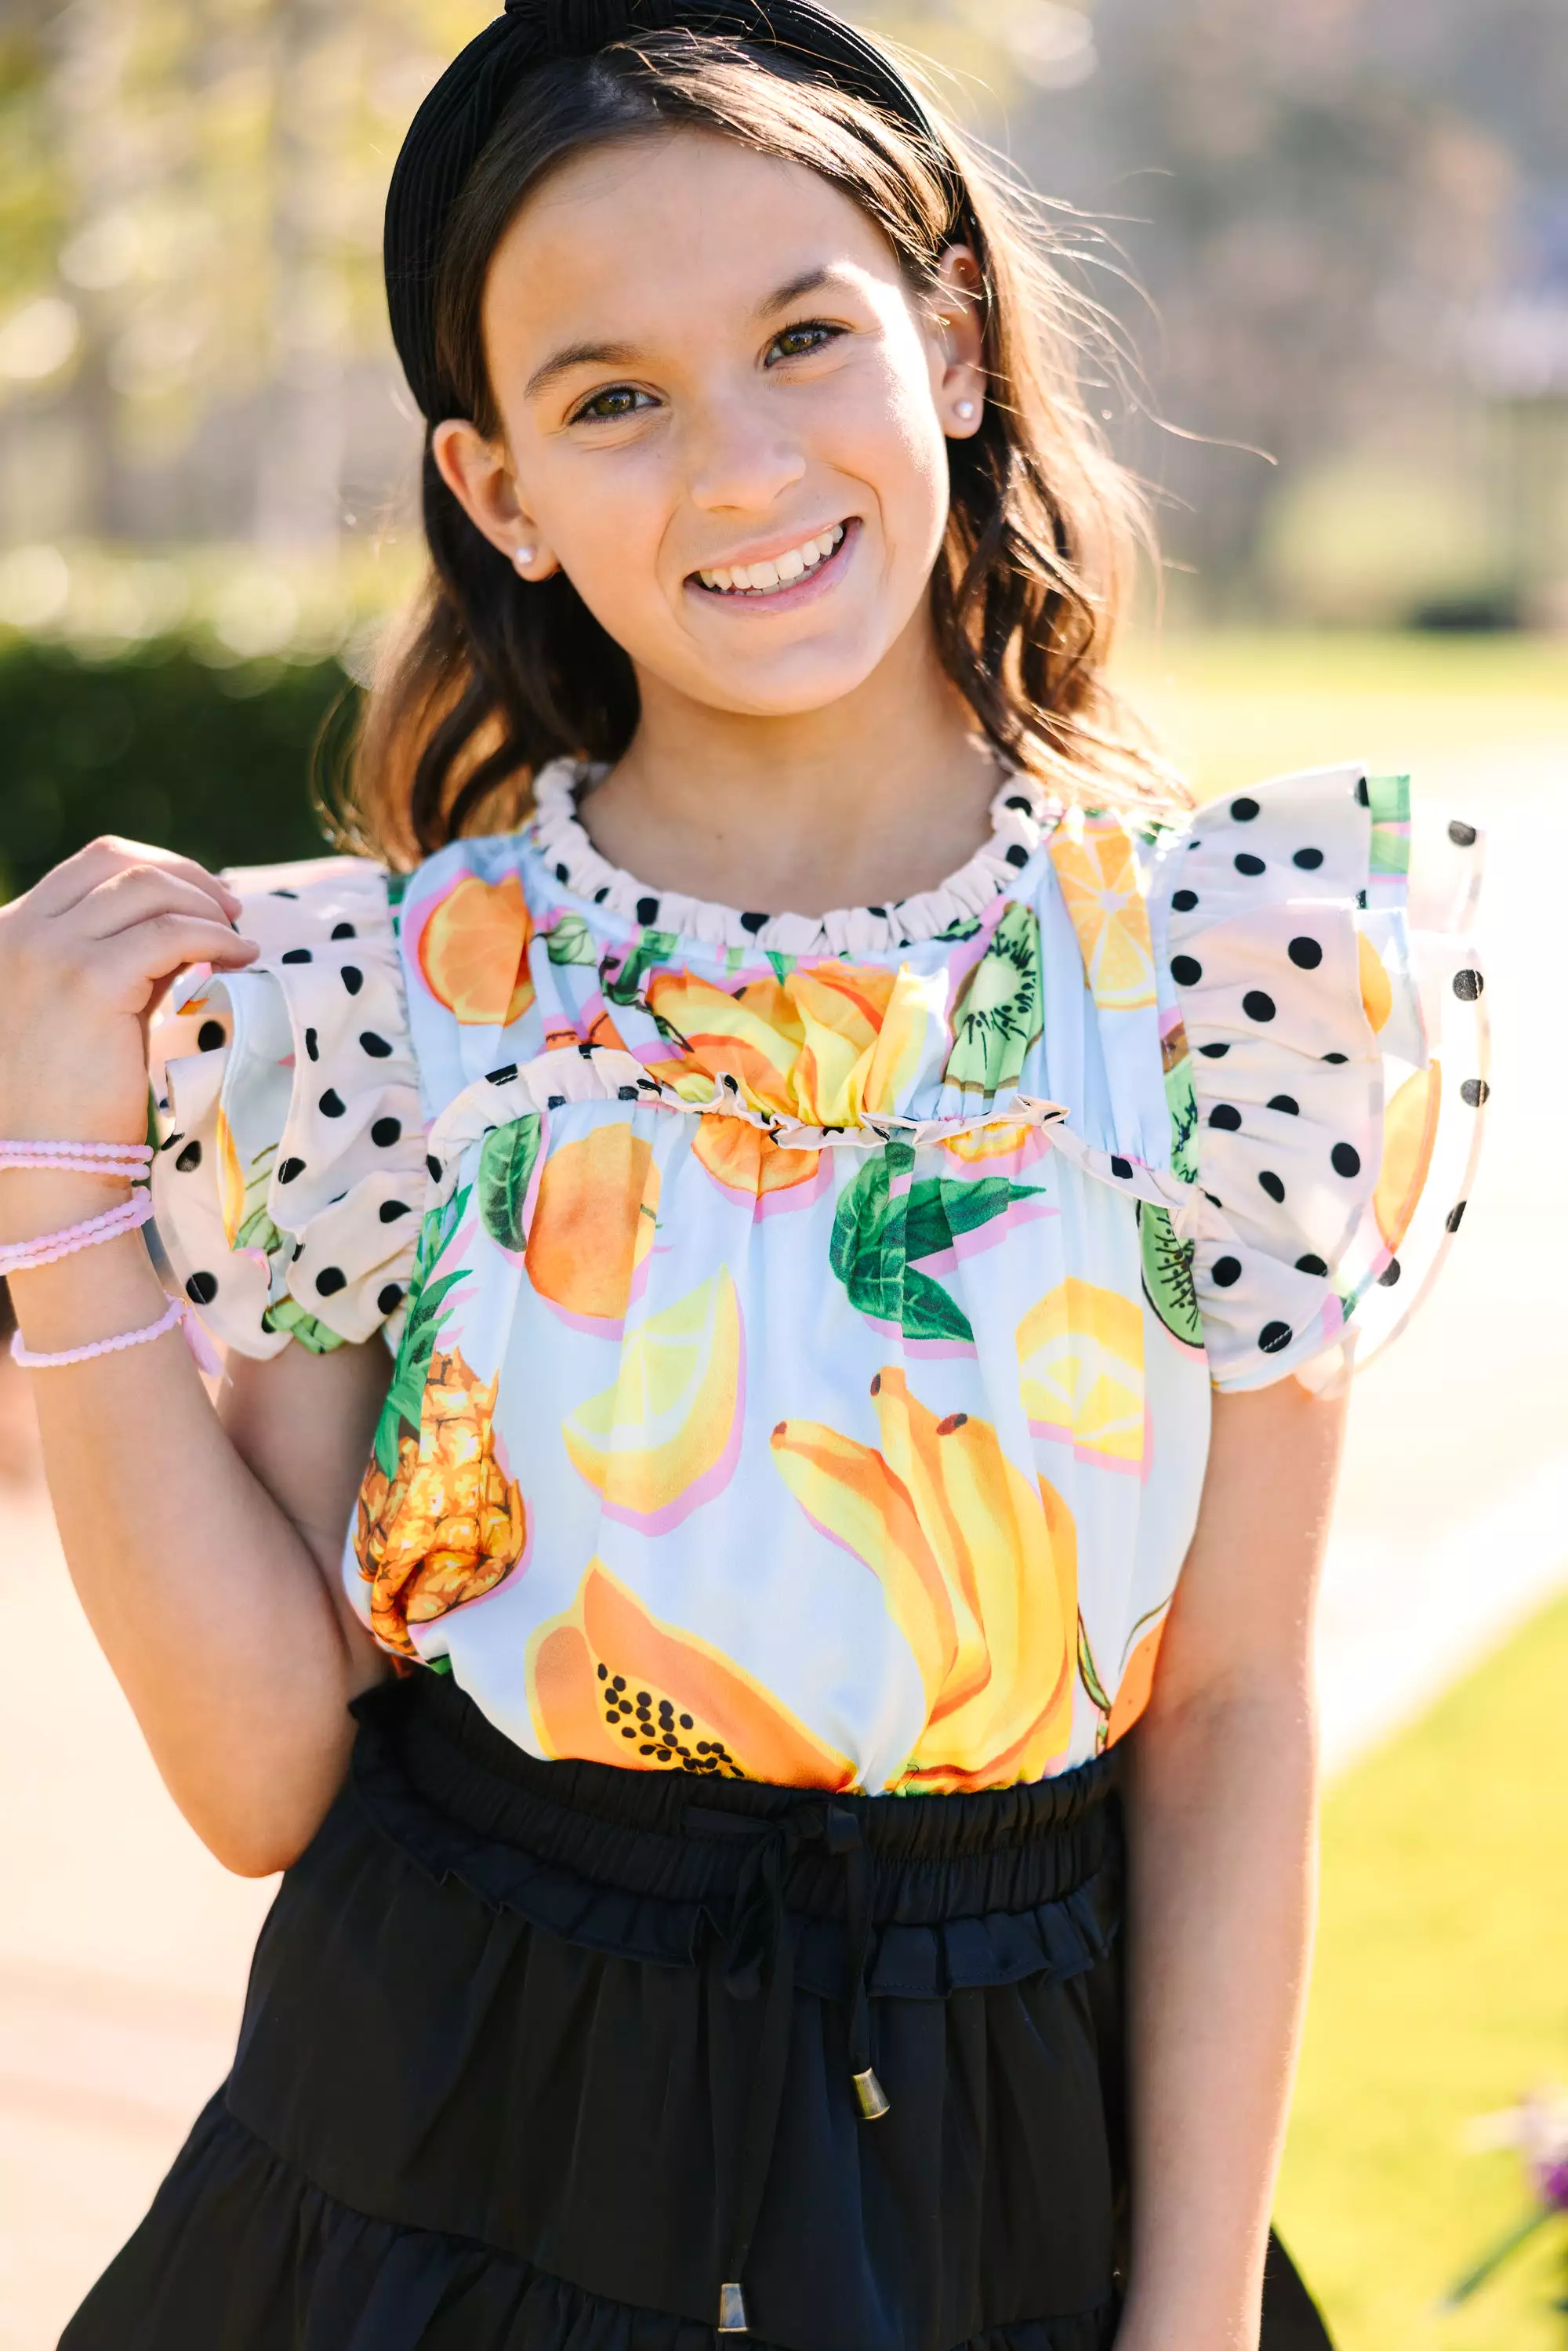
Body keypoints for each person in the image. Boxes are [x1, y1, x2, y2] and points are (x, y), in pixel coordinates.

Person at [1, 5, 1488, 2348]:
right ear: (498, 493)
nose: (740, 462)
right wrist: (57, 1198)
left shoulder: (1232, 975)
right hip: (435, 2168)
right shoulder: (389, 999)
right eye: (613, 396)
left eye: (807, 337)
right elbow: (265, 1771)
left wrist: (1188, 2316)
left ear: (958, 351)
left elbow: (1229, 1716)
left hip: (1023, 2185)